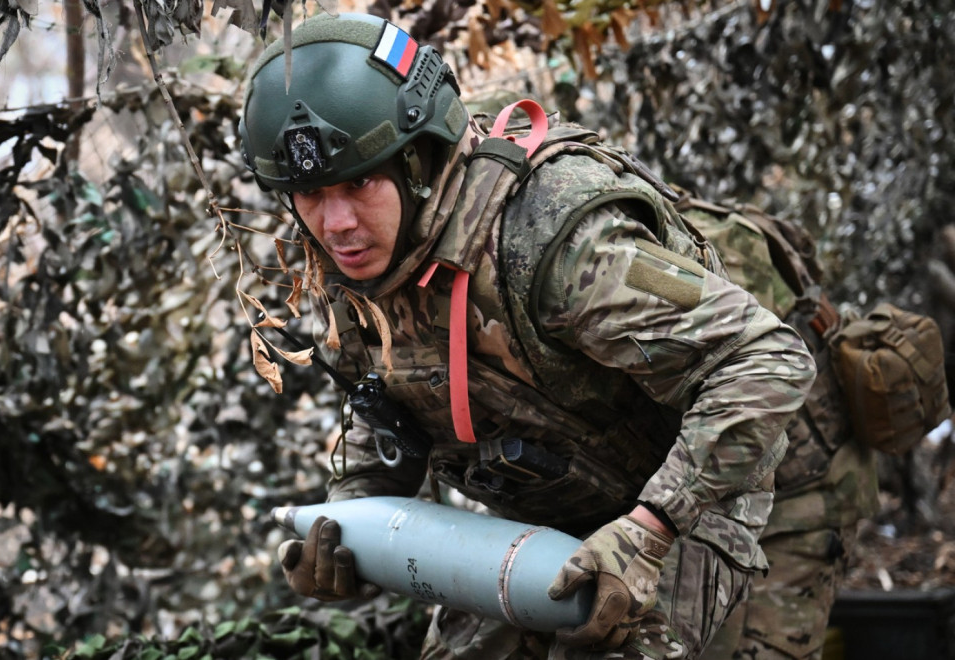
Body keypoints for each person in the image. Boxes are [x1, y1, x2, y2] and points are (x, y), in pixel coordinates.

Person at [238, 12, 816, 659]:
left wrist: (649, 531)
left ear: (419, 159)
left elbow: (764, 360)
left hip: (696, 490)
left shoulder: (549, 236)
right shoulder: (360, 259)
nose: (336, 221)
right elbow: (390, 393)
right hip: (548, 507)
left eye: (359, 182)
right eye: (310, 194)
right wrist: (349, 521)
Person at [678, 200, 880, 660]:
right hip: (752, 482)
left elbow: (754, 375)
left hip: (806, 496)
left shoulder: (714, 243)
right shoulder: (681, 227)